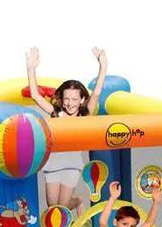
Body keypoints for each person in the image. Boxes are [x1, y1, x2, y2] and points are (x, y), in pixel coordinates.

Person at [26, 47, 108, 217]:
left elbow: (97, 93)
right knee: (52, 206)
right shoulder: (56, 113)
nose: (70, 103)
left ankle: (77, 201)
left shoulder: (85, 115)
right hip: (53, 164)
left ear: (82, 100)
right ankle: (76, 202)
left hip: (72, 165)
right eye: (67, 99)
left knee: (62, 207)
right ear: (62, 100)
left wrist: (103, 66)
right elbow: (35, 95)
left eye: (74, 99)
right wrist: (31, 68)